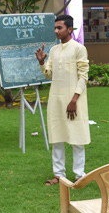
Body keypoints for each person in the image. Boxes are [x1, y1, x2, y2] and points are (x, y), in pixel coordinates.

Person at [35, 15, 90, 186]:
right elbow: (49, 74)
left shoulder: (79, 49)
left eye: (59, 28)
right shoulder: (53, 50)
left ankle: (79, 175)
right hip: (56, 99)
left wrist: (74, 99)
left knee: (77, 138)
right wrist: (42, 62)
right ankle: (59, 175)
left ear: (69, 29)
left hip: (74, 100)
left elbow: (83, 76)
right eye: (55, 28)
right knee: (57, 137)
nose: (56, 31)